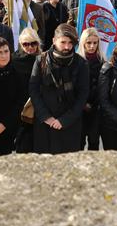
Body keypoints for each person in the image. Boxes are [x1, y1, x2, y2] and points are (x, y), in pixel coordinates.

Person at [30, 23, 89, 154]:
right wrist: (46, 117)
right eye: (63, 42)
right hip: (45, 123)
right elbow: (34, 90)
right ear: (54, 40)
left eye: (70, 43)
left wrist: (64, 120)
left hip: (70, 123)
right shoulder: (41, 60)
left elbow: (83, 95)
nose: (67, 47)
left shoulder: (81, 63)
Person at [12, 28, 41, 153]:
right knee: (22, 145)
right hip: (19, 107)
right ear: (20, 44)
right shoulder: (13, 60)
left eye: (33, 43)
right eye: (26, 44)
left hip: (38, 107)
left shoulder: (43, 59)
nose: (30, 47)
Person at [77, 28, 103, 150]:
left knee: (94, 141)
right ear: (83, 43)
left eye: (95, 43)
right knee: (79, 142)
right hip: (79, 109)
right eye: (89, 43)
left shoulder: (103, 61)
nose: (92, 46)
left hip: (97, 109)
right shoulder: (76, 61)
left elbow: (103, 87)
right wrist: (82, 104)